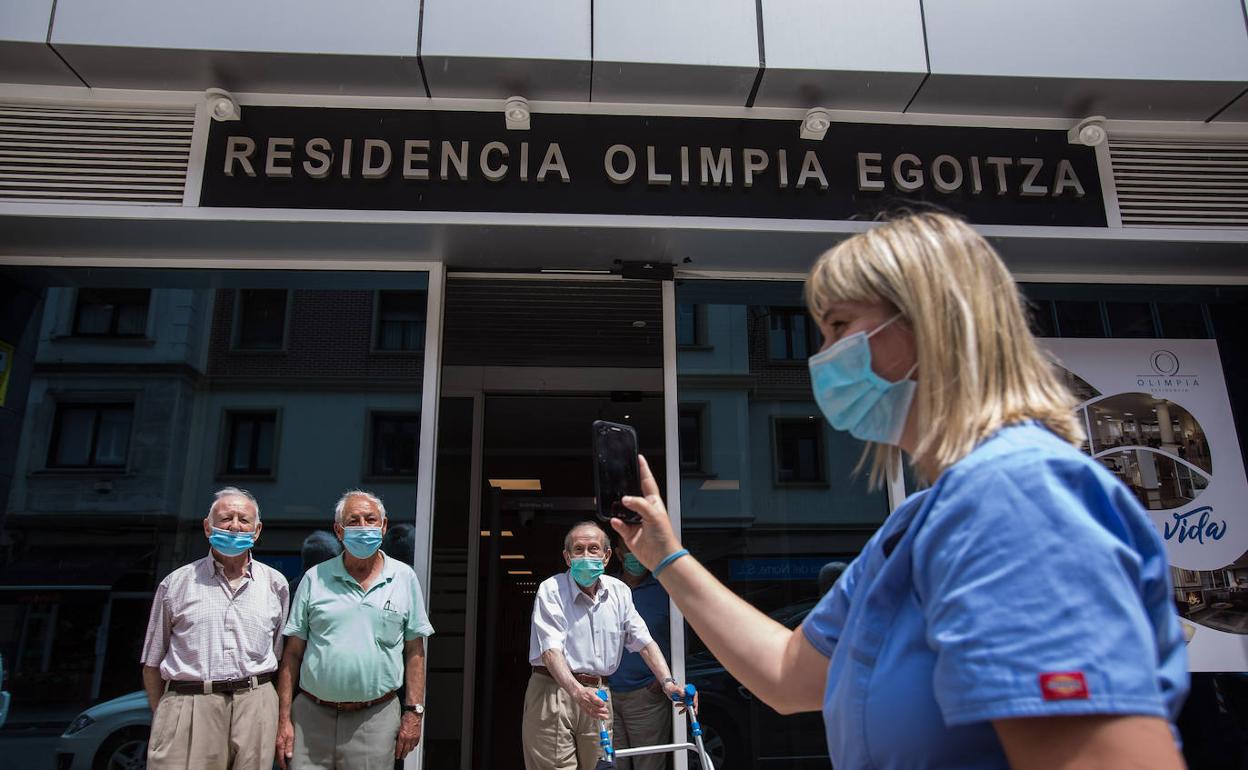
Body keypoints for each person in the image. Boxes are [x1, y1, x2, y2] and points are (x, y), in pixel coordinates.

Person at [611, 213, 1190, 770]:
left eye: (839, 327)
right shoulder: (916, 524)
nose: (822, 357)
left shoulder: (1016, 496)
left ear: (932, 323)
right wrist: (664, 555)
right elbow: (788, 676)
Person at [276, 490, 434, 770]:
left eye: (371, 519)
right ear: (339, 531)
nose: (363, 527)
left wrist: (414, 713)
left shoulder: (404, 578)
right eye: (354, 521)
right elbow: (292, 655)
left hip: (375, 718)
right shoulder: (314, 578)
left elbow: (414, 651)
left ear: (383, 527)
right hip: (311, 718)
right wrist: (283, 719)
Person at [140, 487, 290, 770]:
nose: (234, 526)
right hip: (190, 702)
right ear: (208, 527)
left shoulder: (276, 584)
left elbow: (278, 656)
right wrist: (168, 715)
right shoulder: (177, 583)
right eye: (225, 518)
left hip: (255, 704)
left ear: (257, 531)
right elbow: (152, 662)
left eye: (243, 520)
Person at [523, 522, 687, 770]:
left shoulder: (619, 591)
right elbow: (550, 651)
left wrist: (667, 682)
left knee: (600, 766)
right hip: (554, 691)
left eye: (593, 548)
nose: (586, 556)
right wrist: (577, 692)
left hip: (598, 694)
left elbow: (644, 642)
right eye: (578, 550)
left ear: (607, 556)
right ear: (567, 558)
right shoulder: (552, 589)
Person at [606, 537, 674, 770]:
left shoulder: (665, 590)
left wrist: (659, 682)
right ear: (617, 553)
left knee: (649, 765)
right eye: (630, 550)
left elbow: (681, 641)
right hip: (607, 696)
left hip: (647, 697)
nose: (636, 556)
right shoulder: (605, 588)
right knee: (612, 765)